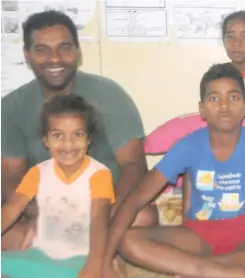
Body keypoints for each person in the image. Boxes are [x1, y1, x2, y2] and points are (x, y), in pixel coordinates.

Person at [101, 63, 245, 278]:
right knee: (128, 240)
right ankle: (239, 273)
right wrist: (105, 261)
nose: (224, 105)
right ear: (202, 109)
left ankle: (206, 269)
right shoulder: (188, 145)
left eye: (233, 97)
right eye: (214, 98)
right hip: (198, 233)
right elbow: (136, 198)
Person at [0, 11, 157, 251]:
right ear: (27, 55)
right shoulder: (11, 106)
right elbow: (11, 177)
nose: (54, 59)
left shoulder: (109, 94)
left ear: (77, 52)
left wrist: (93, 218)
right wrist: (45, 217)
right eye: (42, 49)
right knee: (7, 235)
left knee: (144, 217)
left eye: (64, 47)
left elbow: (134, 166)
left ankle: (77, 246)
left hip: (105, 207)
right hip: (44, 209)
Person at [1, 95, 113, 278]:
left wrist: (95, 263)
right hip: (42, 253)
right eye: (57, 135)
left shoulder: (99, 174)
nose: (68, 144)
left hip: (83, 257)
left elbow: (99, 219)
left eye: (78, 134)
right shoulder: (38, 172)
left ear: (89, 139)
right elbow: (11, 208)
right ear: (46, 140)